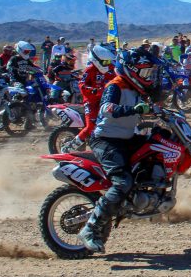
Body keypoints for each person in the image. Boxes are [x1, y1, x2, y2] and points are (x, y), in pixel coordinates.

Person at [78, 49, 163, 254]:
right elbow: (107, 108)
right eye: (145, 73)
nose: (148, 77)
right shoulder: (115, 86)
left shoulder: (137, 88)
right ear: (131, 71)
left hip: (126, 138)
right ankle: (90, 228)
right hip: (106, 141)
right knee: (123, 181)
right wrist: (135, 110)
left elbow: (157, 98)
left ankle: (147, 194)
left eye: (150, 73)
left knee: (157, 147)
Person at [63, 45, 117, 153]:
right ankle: (68, 149)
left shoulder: (111, 69)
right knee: (91, 126)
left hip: (106, 101)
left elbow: (118, 79)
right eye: (105, 62)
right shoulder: (90, 70)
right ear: (97, 61)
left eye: (108, 62)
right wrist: (93, 90)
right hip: (91, 102)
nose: (108, 64)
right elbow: (81, 84)